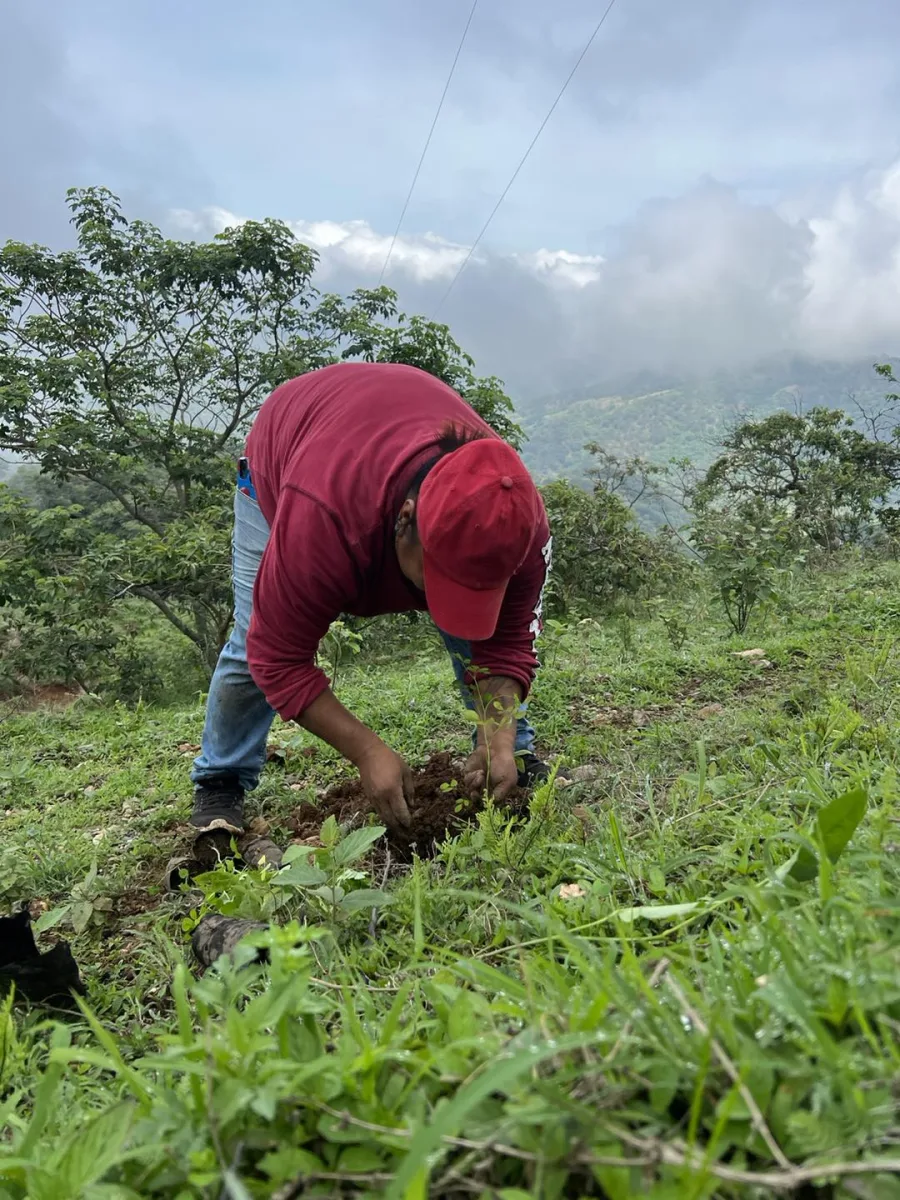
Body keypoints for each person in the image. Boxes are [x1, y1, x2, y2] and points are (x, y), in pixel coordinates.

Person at [190, 361, 552, 835]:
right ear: (405, 521)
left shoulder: (515, 522)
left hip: (381, 431)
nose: (442, 603)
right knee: (251, 634)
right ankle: (221, 779)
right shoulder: (322, 517)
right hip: (286, 456)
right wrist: (367, 751)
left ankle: (508, 753)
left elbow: (506, 644)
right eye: (440, 580)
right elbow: (278, 657)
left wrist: (497, 737)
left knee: (479, 640)